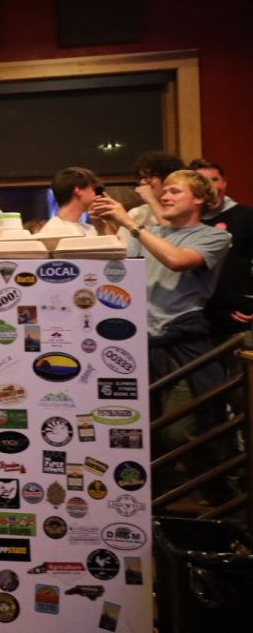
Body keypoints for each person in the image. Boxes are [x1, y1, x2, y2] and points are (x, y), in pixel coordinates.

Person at [92, 169, 232, 500]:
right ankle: (160, 516)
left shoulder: (213, 236)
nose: (164, 196)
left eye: (174, 191)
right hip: (141, 348)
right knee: (145, 439)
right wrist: (103, 223)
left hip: (183, 345)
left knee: (180, 433)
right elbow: (116, 273)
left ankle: (224, 507)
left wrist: (130, 225)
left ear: (199, 198)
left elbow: (176, 260)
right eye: (164, 191)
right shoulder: (149, 233)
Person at [188, 158, 253, 337]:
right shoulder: (186, 222)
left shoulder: (246, 216)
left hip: (236, 316)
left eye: (215, 179)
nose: (211, 186)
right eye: (202, 180)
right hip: (195, 318)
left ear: (224, 182)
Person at [39, 167, 103, 237]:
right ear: (78, 191)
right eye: (93, 190)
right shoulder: (52, 232)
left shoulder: (91, 229)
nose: (96, 195)